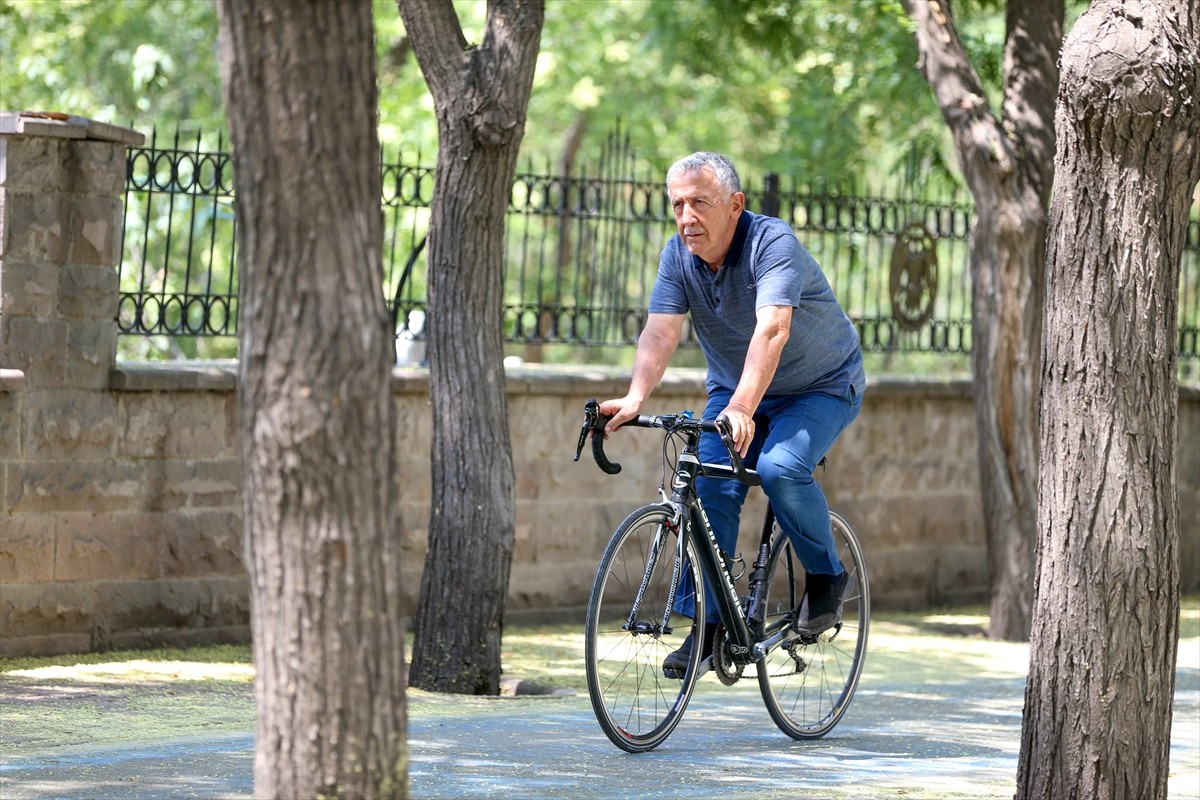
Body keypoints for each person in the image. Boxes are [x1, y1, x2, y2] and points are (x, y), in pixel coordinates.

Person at [599, 151, 865, 677]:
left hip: (820, 385)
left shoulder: (771, 243)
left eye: (699, 202)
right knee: (708, 482)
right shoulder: (677, 256)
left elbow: (772, 329)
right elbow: (661, 330)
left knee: (780, 468)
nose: (686, 217)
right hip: (737, 387)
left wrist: (744, 406)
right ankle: (710, 626)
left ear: (735, 204)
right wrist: (635, 398)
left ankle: (827, 577)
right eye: (677, 205)